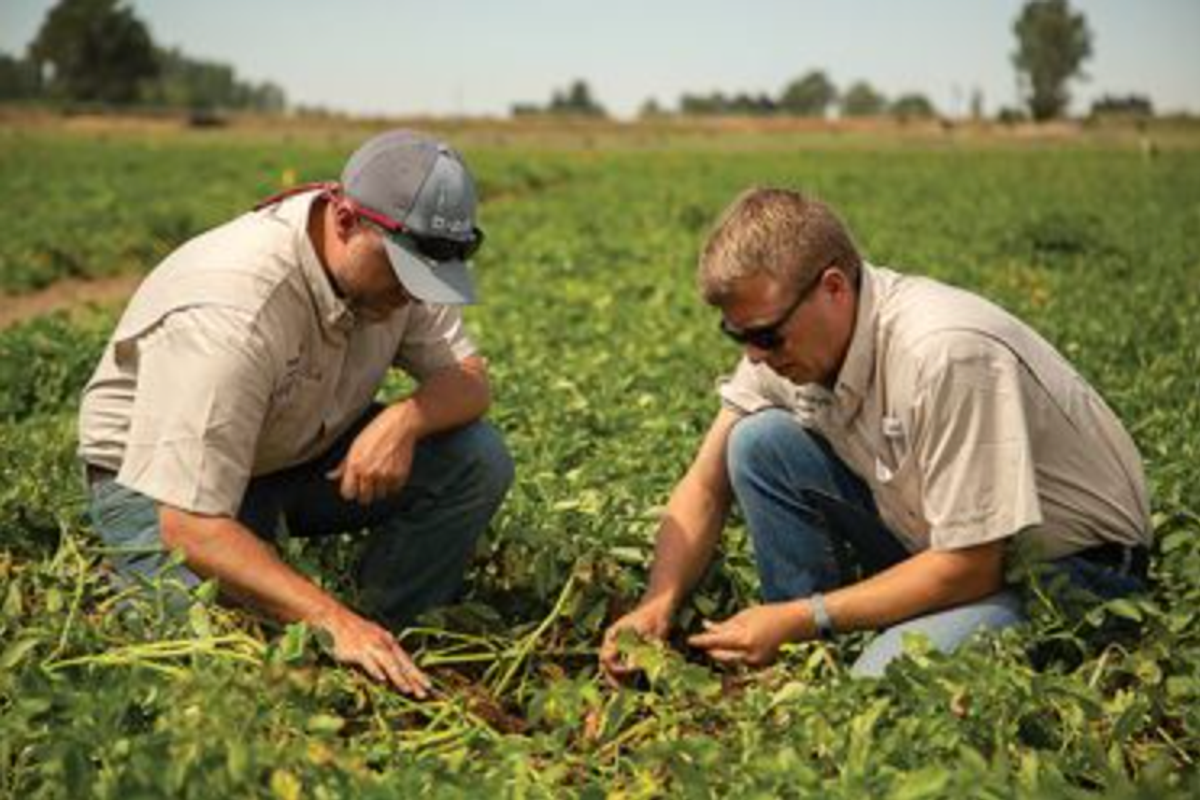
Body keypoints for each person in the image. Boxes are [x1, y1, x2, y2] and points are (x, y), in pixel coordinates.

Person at [600, 187, 1150, 681]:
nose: (755, 356)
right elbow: (705, 484)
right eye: (737, 335)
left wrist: (802, 618)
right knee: (757, 442)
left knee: (883, 680)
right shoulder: (782, 348)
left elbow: (972, 565)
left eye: (766, 335)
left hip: (1067, 572)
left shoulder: (945, 353)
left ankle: (811, 638)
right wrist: (658, 601)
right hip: (934, 541)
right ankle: (799, 665)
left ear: (833, 288)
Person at [79, 130, 514, 698]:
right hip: (158, 490)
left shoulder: (403, 266)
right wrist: (332, 621)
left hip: (289, 454)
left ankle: (389, 639)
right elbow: (189, 523)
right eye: (404, 274)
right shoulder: (234, 311)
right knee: (223, 674)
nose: (412, 297)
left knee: (474, 459)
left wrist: (405, 419)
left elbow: (471, 383)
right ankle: (131, 584)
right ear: (343, 220)